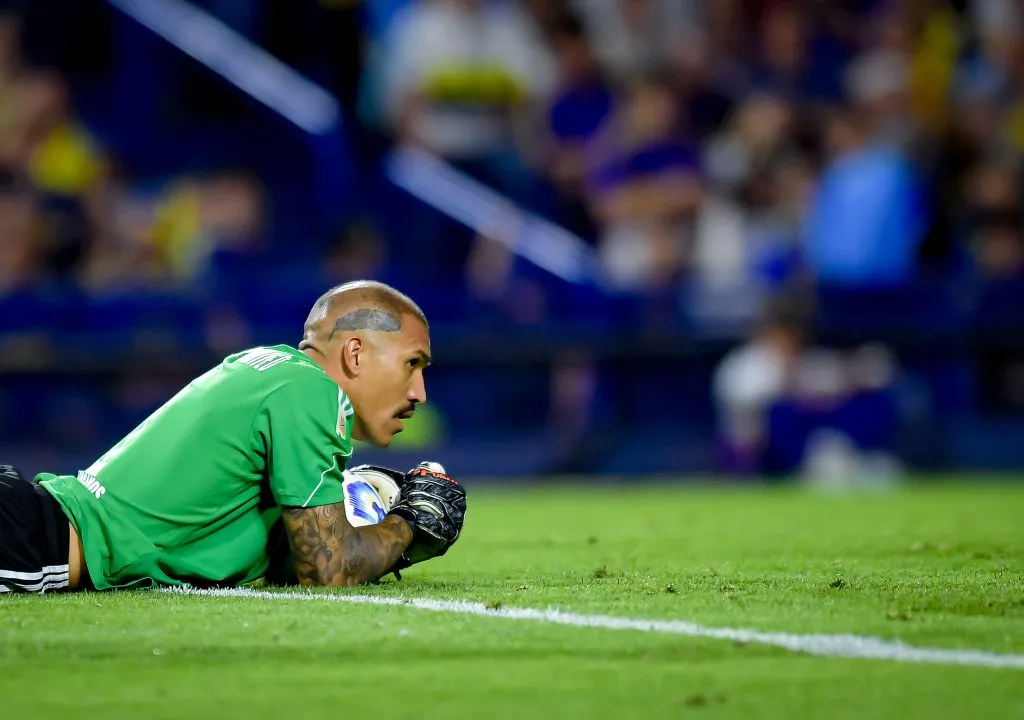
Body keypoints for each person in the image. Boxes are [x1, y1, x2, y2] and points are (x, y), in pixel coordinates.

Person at [0, 280, 467, 594]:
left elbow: (287, 558)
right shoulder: (312, 393)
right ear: (355, 353)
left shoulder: (272, 369)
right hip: (30, 538)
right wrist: (410, 525)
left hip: (29, 514)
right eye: (413, 363)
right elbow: (326, 568)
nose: (419, 391)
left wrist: (364, 521)